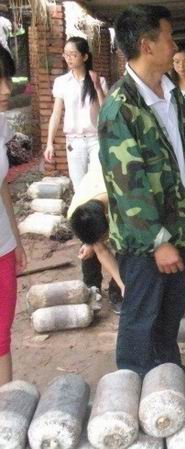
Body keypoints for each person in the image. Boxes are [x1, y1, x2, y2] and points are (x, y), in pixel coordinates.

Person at [98, 4, 185, 378]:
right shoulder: (120, 107)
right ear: (147, 45)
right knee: (141, 314)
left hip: (175, 224)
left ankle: (166, 375)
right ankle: (131, 384)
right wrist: (158, 241)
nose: (175, 45)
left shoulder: (171, 92)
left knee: (169, 310)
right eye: (169, 37)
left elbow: (183, 159)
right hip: (145, 236)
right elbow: (126, 185)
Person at [43, 36, 108, 190]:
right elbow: (56, 115)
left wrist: (98, 87)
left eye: (73, 54)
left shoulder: (99, 81)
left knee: (97, 183)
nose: (68, 58)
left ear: (84, 57)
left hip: (96, 140)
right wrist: (49, 143)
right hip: (74, 141)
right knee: (78, 186)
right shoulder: (61, 82)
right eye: (66, 54)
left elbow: (106, 111)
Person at [0, 45, 27, 386]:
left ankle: (5, 409)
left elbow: (2, 186)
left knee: (1, 336)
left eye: (7, 78)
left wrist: (17, 240)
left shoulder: (1, 123)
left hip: (2, 245)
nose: (7, 89)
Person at [67, 157, 124, 313]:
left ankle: (116, 291)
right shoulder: (75, 212)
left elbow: (104, 250)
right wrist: (90, 244)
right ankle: (92, 288)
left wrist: (122, 285)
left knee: (126, 247)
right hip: (96, 197)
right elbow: (101, 249)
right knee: (88, 249)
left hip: (118, 196)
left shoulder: (121, 199)